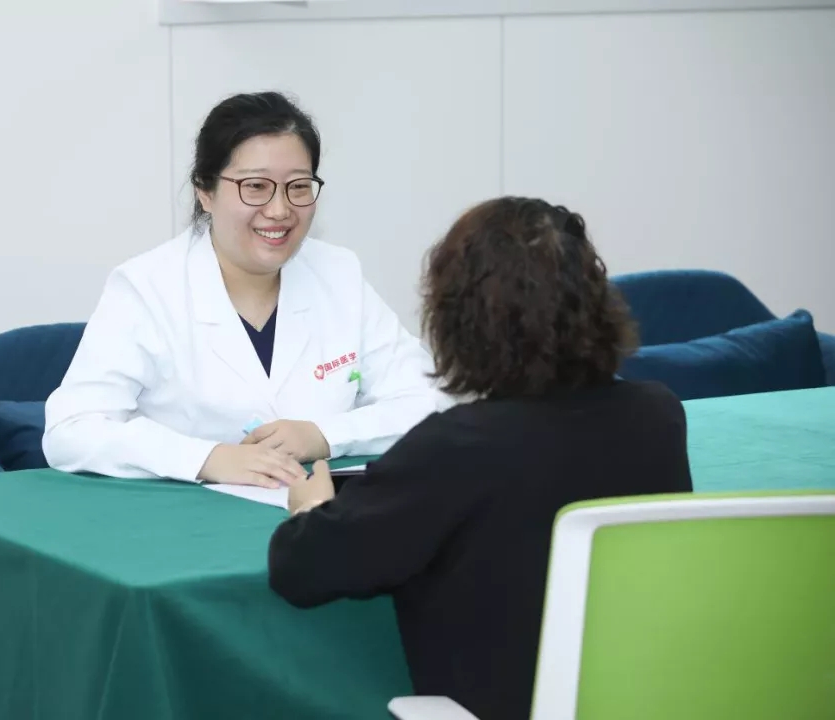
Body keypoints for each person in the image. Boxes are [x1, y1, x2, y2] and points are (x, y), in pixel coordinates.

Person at [268, 197, 693, 720]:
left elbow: (301, 568)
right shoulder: (658, 415)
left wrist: (311, 508)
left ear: (459, 318)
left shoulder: (458, 445)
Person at [43, 91, 440, 486]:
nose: (280, 210)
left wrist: (324, 435)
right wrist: (205, 458)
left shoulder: (338, 274)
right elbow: (71, 430)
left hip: (317, 509)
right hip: (189, 514)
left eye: (298, 186)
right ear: (205, 191)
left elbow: (432, 399)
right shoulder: (147, 288)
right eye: (255, 186)